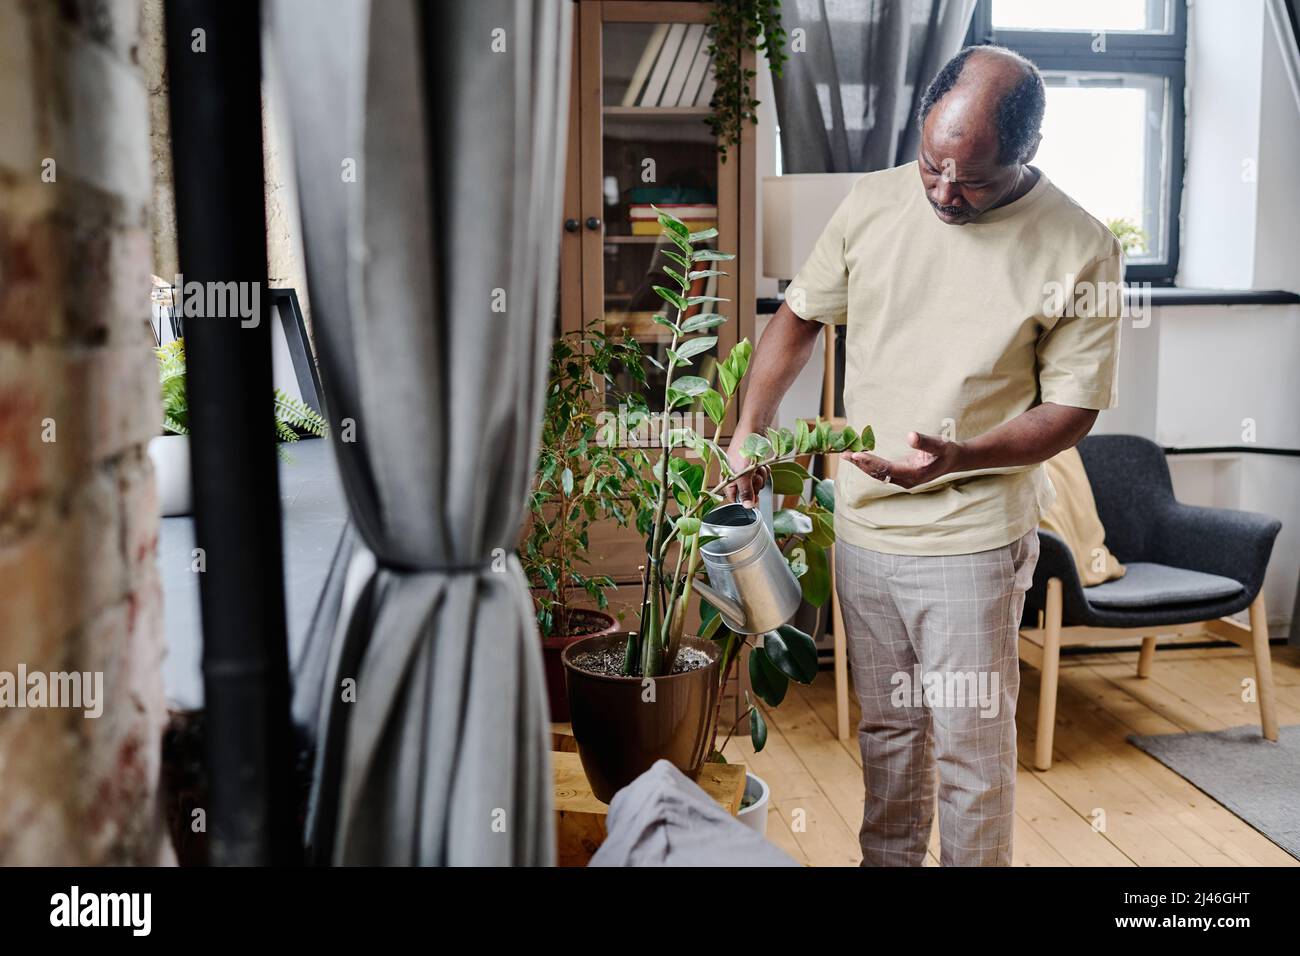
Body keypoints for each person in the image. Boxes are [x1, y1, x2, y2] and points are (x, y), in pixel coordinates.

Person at [726, 45, 1123, 866]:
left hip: (971, 540)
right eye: (931, 165)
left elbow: (1071, 409)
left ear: (1027, 154)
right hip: (864, 531)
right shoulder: (870, 202)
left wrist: (959, 457)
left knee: (972, 754)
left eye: (971, 180)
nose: (944, 193)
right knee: (888, 739)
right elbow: (799, 318)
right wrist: (750, 427)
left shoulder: (1080, 245)